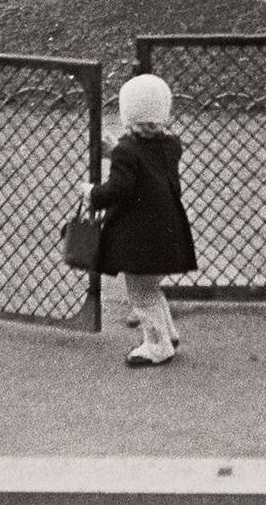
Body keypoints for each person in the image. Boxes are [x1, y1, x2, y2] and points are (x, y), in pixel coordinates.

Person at [84, 73, 197, 367]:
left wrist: (92, 193)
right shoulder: (171, 146)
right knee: (151, 286)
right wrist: (118, 153)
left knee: (140, 291)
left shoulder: (127, 153)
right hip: (169, 229)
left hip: (141, 236)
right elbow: (143, 163)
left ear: (127, 115)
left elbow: (119, 188)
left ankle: (157, 345)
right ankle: (168, 333)